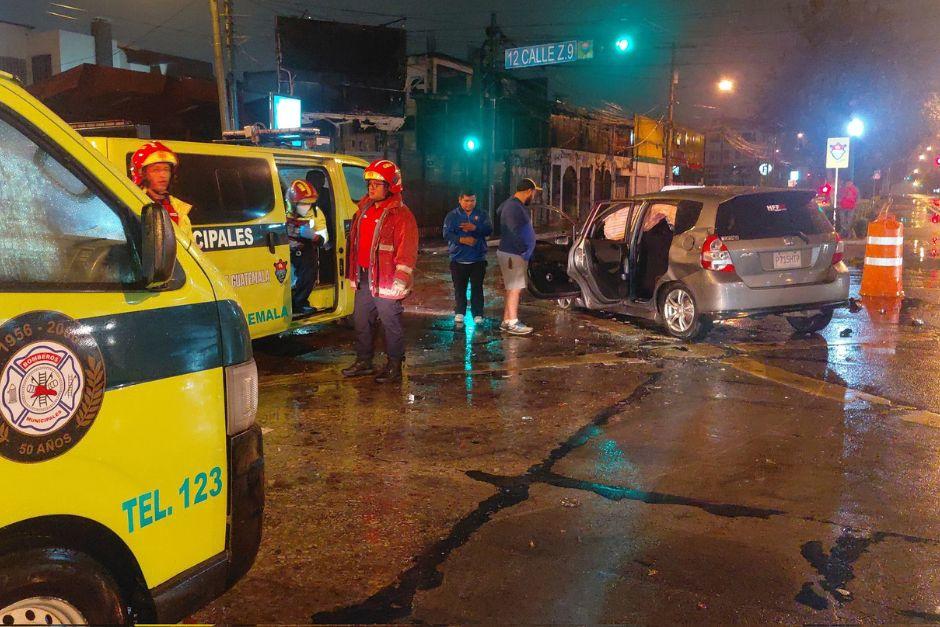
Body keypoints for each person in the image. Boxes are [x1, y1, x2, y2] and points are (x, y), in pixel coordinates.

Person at [341, 160, 418, 384]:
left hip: (387, 280)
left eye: (377, 184)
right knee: (361, 320)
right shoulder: (364, 209)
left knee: (390, 324)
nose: (371, 188)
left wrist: (401, 277)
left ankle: (394, 366)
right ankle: (364, 361)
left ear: (391, 186)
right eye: (370, 184)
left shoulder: (401, 215)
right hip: (365, 277)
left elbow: (408, 249)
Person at [496, 178, 540, 335]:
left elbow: (499, 211)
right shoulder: (513, 207)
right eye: (534, 193)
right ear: (529, 191)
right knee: (515, 288)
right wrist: (524, 250)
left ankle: (507, 320)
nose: (534, 196)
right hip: (513, 253)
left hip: (512, 253)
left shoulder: (511, 204)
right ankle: (513, 322)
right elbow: (514, 230)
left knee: (511, 288)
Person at [443, 191, 492, 326]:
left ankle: (478, 314)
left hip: (478, 259)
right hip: (458, 258)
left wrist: (475, 228)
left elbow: (489, 230)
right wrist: (461, 239)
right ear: (460, 200)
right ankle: (460, 311)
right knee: (459, 287)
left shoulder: (482, 214)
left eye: (472, 201)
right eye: (466, 201)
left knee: (477, 287)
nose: (469, 204)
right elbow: (447, 234)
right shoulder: (452, 216)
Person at [129, 141, 193, 240]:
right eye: (156, 170)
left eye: (166, 169)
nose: (163, 175)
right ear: (143, 174)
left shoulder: (178, 208)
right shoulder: (134, 204)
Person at [286, 179, 329, 318]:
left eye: (309, 203)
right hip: (284, 249)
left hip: (305, 249)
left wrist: (315, 237)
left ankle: (300, 302)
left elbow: (324, 238)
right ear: (293, 203)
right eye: (303, 203)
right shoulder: (283, 210)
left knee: (308, 273)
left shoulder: (317, 213)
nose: (307, 206)